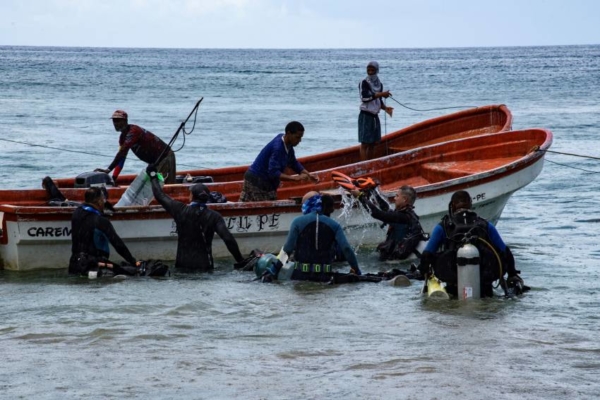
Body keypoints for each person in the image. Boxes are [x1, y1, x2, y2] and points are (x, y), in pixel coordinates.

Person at [418, 190, 526, 297]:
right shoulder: (485, 225)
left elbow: (427, 254)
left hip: (453, 285)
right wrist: (512, 274)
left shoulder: (443, 226)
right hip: (484, 286)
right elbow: (505, 251)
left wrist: (425, 273)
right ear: (470, 203)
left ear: (452, 205)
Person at [147, 164, 245, 272]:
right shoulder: (214, 216)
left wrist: (153, 176)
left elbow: (159, 195)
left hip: (182, 268)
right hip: (205, 268)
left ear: (191, 197)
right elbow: (228, 239)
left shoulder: (180, 210)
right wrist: (241, 261)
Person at [261, 191, 361, 283]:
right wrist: (356, 270)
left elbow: (288, 249)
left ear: (307, 205)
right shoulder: (334, 225)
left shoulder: (297, 222)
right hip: (325, 277)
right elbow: (347, 249)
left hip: (300, 277)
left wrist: (274, 270)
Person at [239, 121, 319, 202]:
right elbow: (273, 172)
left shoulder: (287, 143)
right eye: (297, 137)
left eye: (301, 137)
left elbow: (293, 162)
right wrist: (295, 179)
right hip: (257, 181)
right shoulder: (278, 148)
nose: (300, 140)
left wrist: (308, 175)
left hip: (267, 183)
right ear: (289, 133)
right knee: (263, 211)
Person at [68, 186, 138, 276]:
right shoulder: (101, 221)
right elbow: (118, 244)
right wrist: (133, 261)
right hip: (93, 266)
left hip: (74, 265)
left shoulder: (76, 214)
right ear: (99, 201)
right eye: (103, 200)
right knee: (132, 272)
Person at [95, 110, 176, 184]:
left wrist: (108, 169)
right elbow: (122, 158)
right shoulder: (122, 138)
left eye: (118, 121)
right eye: (114, 121)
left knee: (163, 185)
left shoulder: (133, 131)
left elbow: (122, 152)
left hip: (165, 157)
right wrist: (114, 178)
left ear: (125, 121)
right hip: (154, 162)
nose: (115, 123)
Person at [355, 185, 425, 261]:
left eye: (397, 196)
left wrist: (360, 197)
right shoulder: (407, 215)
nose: (394, 198)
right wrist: (373, 191)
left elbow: (376, 213)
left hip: (393, 262)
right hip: (394, 256)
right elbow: (385, 208)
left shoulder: (403, 217)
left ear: (404, 199)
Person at [358, 61, 394, 161]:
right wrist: (381, 94)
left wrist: (386, 108)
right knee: (365, 143)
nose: (370, 72)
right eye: (368, 70)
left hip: (375, 116)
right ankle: (364, 165)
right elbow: (364, 98)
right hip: (365, 116)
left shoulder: (379, 84)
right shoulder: (364, 83)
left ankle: (370, 162)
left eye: (372, 70)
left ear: (377, 71)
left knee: (373, 143)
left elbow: (378, 101)